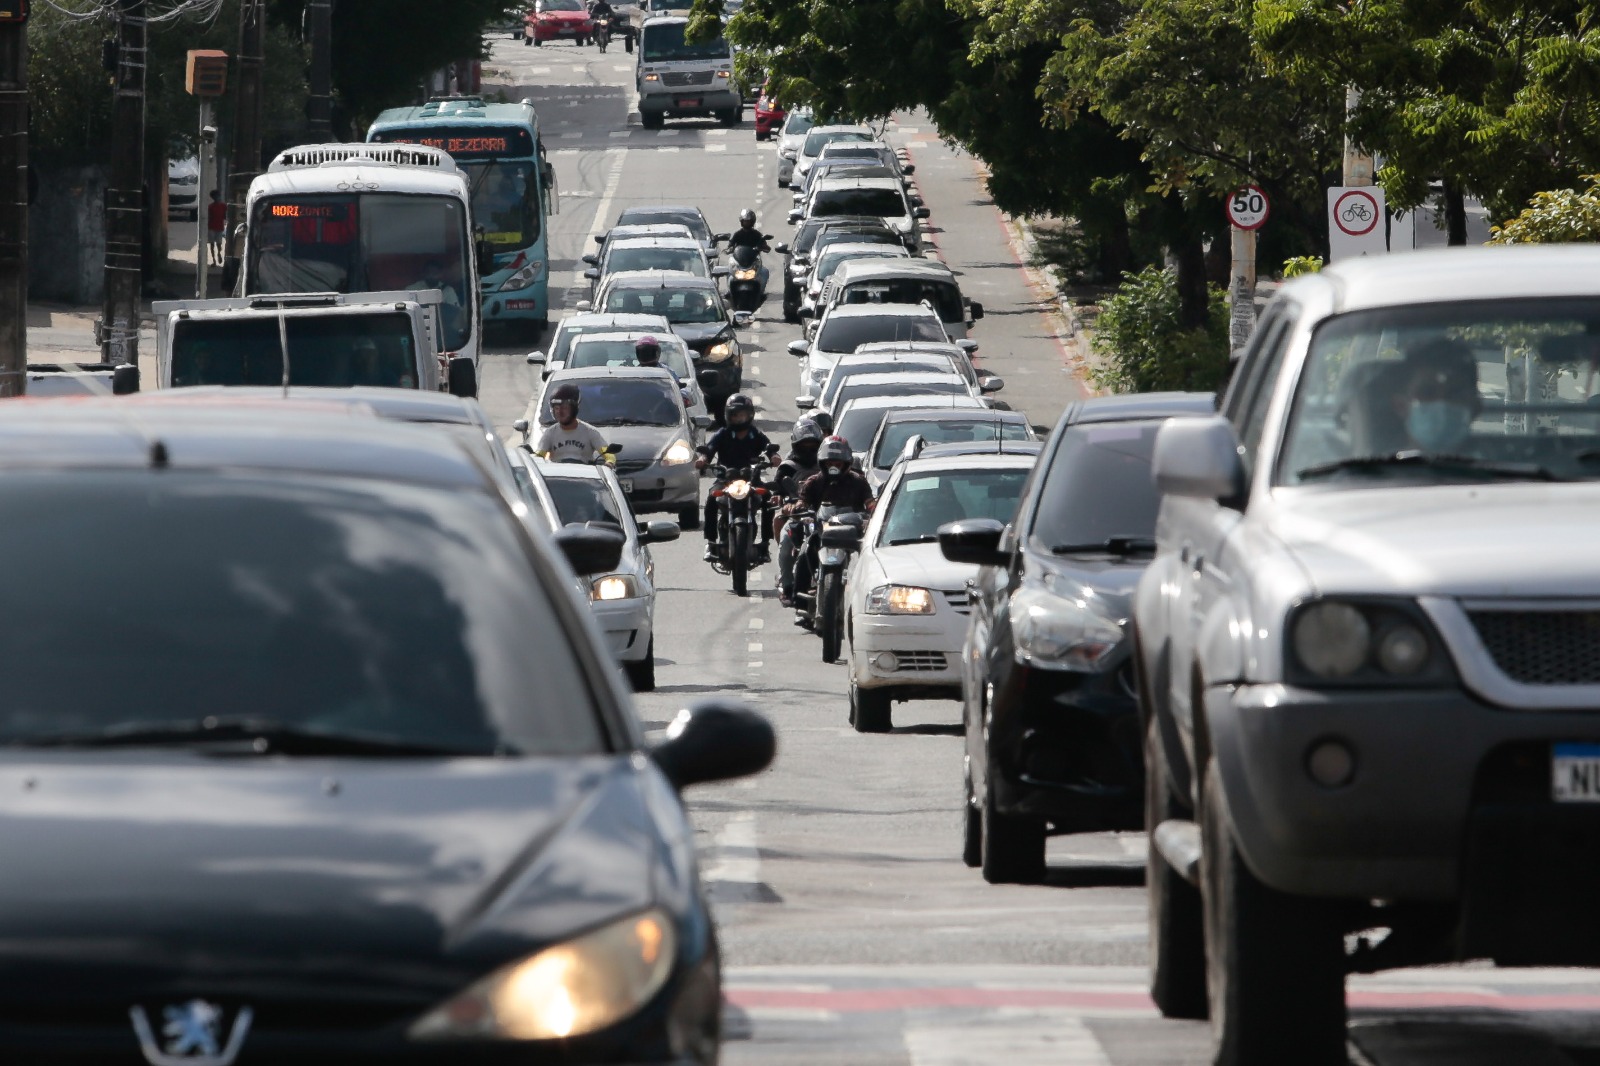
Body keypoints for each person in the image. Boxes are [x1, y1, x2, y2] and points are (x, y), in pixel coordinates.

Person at [694, 393, 780, 560]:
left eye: (742, 415)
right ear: (728, 416)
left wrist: (774, 456)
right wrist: (703, 459)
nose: (739, 419)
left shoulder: (755, 434)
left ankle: (764, 544)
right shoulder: (722, 434)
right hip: (725, 480)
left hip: (751, 480)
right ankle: (711, 543)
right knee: (712, 500)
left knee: (768, 499)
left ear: (750, 415)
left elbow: (768, 447)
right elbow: (709, 449)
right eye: (735, 415)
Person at [1391, 338, 1481, 453]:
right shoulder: (1372, 468)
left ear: (1476, 407)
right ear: (1400, 405)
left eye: (1454, 393)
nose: (1442, 403)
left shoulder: (1500, 468)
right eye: (1427, 392)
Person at [773, 417, 826, 606]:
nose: (809, 449)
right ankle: (787, 584)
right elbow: (778, 490)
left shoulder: (829, 464)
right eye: (805, 444)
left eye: (813, 445)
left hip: (826, 516)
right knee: (787, 542)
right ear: (796, 445)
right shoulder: (788, 467)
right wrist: (785, 503)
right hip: (799, 516)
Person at [536, 383, 611, 462]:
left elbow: (608, 454)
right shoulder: (550, 433)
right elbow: (539, 455)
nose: (560, 412)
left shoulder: (590, 432)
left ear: (574, 409)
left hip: (584, 473)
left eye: (565, 408)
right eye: (557, 408)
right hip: (558, 473)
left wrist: (609, 463)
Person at [206, 190, 227, 267]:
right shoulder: (210, 207)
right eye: (216, 196)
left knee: (219, 244)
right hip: (211, 227)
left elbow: (225, 216)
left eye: (218, 196)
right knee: (212, 245)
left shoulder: (223, 206)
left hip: (219, 227)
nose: (218, 198)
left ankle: (218, 253)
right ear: (213, 198)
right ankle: (214, 260)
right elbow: (208, 217)